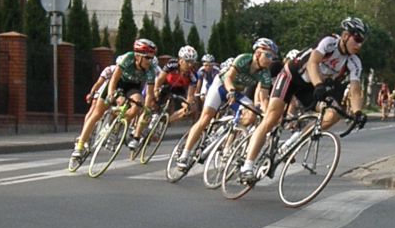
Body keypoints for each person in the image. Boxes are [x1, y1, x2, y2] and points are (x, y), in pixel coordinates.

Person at [239, 16, 369, 184]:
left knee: (334, 113)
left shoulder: (354, 62)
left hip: (308, 86)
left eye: (362, 41)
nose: (359, 45)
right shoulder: (329, 42)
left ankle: (293, 142)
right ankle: (247, 167)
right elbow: (312, 63)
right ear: (345, 36)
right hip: (291, 76)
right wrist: (319, 85)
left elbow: (355, 89)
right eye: (357, 39)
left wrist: (358, 112)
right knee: (272, 118)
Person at [175, 38, 279, 171]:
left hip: (237, 92)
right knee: (206, 118)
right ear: (258, 53)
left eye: (273, 57)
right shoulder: (244, 59)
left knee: (252, 113)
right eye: (268, 55)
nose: (271, 60)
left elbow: (264, 98)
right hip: (222, 86)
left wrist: (266, 113)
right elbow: (229, 77)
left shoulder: (265, 73)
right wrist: (230, 91)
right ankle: (185, 154)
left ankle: (231, 130)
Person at [71, 38, 157, 160]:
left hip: (133, 87)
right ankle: (79, 146)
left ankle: (116, 126)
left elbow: (149, 93)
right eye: (147, 57)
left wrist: (146, 109)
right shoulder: (128, 58)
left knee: (137, 105)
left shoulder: (151, 69)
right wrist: (112, 95)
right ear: (138, 56)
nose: (150, 61)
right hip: (117, 84)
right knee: (97, 113)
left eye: (152, 57)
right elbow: (114, 79)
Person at [130, 45, 198, 150]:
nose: (190, 65)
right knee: (153, 102)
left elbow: (190, 95)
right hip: (165, 85)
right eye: (187, 61)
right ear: (180, 60)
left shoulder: (193, 75)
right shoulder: (172, 64)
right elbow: (160, 79)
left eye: (192, 62)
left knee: (189, 108)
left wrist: (188, 103)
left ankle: (165, 121)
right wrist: (156, 91)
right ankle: (140, 127)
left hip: (179, 90)